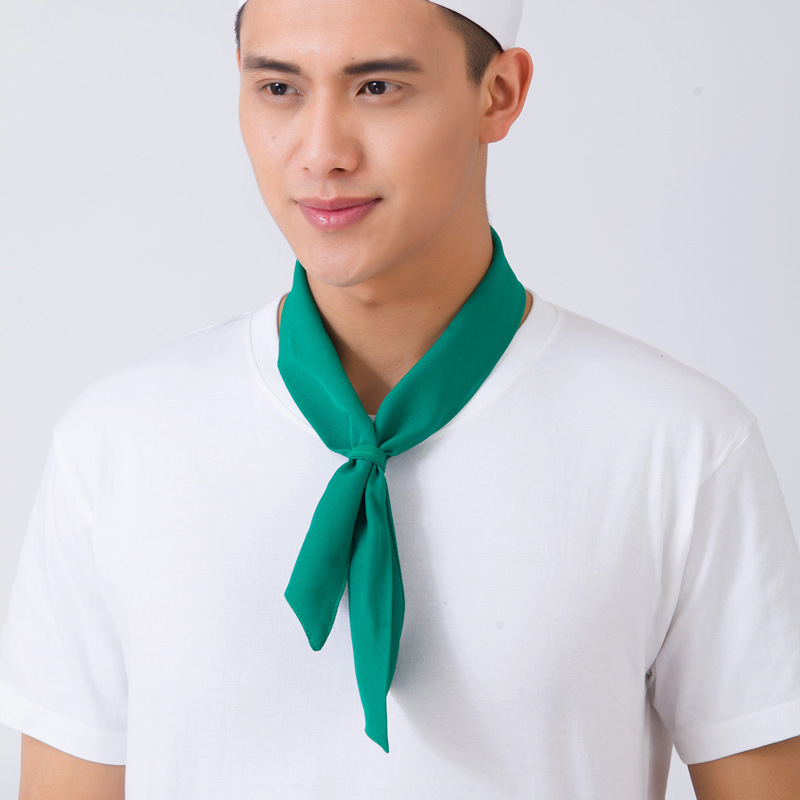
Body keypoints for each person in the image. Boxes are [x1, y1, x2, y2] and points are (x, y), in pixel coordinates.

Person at [1, 0, 799, 797]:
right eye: (279, 89)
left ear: (499, 95)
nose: (322, 154)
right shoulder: (117, 446)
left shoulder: (678, 447)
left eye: (377, 87)